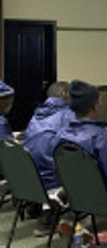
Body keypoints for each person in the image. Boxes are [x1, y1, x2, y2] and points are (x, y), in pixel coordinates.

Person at [54, 80, 107, 201]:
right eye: (99, 101)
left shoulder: (61, 134)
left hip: (75, 195)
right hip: (103, 199)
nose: (101, 104)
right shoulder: (103, 138)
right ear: (93, 107)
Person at [21, 81, 75, 236]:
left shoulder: (37, 114)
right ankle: (55, 216)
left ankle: (38, 206)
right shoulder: (68, 114)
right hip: (52, 177)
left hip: (29, 176)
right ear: (65, 94)